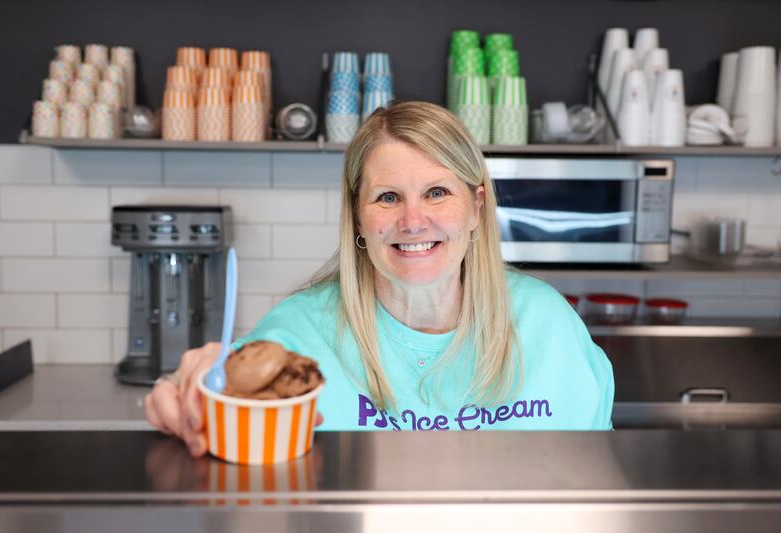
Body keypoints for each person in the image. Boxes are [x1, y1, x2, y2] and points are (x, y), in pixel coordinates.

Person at [145, 101, 614, 456]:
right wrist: (196, 389)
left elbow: (597, 480)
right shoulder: (302, 334)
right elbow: (231, 416)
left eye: (436, 192)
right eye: (388, 197)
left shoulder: (549, 323)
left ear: (475, 208)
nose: (412, 221)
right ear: (356, 218)